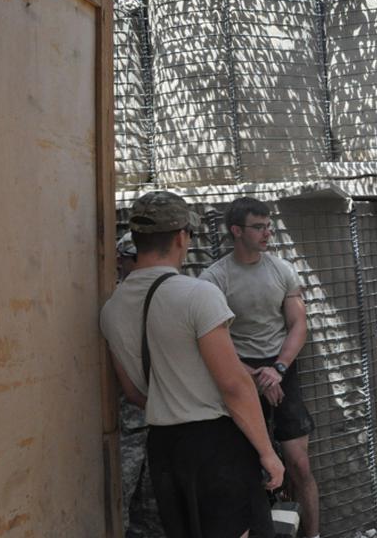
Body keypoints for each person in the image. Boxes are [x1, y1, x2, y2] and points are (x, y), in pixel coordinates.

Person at [100, 191, 284, 538]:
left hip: (163, 448)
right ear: (182, 237)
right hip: (214, 445)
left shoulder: (111, 309)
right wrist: (267, 453)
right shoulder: (197, 294)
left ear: (137, 239)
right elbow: (234, 385)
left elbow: (134, 391)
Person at [200, 197, 320, 538]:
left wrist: (278, 369)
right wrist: (252, 375)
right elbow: (213, 340)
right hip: (239, 373)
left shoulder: (281, 269)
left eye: (269, 226)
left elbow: (298, 324)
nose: (267, 233)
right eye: (259, 227)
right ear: (237, 231)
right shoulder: (214, 278)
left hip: (282, 369)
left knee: (299, 464)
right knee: (249, 468)